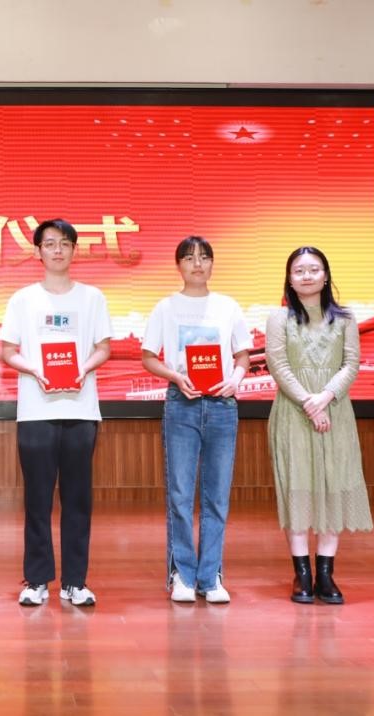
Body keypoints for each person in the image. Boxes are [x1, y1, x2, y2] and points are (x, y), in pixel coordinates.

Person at [0, 218, 112, 608]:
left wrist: (82, 369)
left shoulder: (92, 298)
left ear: (74, 250)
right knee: (37, 499)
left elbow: (103, 348)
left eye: (65, 243)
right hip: (36, 412)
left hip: (81, 410)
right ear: (38, 251)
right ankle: (36, 580)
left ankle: (75, 582)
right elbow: (8, 351)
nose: (58, 250)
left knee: (78, 499)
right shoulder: (23, 299)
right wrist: (35, 369)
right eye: (50, 243)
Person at [141, 236, 252, 604]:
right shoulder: (166, 308)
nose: (198, 264)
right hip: (182, 404)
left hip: (222, 405)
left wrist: (236, 380)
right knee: (180, 494)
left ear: (212, 264)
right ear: (179, 266)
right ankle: (182, 575)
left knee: (217, 495)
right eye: (189, 258)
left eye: (204, 257)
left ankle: (211, 575)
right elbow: (148, 357)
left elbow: (242, 355)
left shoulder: (228, 306)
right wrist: (175, 376)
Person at [265, 246, 373, 604]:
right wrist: (309, 404)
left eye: (314, 269)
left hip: (336, 413)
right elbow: (279, 366)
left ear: (326, 276)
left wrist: (325, 397)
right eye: (299, 270)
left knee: (332, 486)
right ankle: (302, 575)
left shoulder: (345, 318)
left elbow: (351, 364)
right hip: (292, 414)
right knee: (297, 488)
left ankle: (326, 575)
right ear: (289, 278)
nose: (307, 275)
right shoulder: (278, 319)